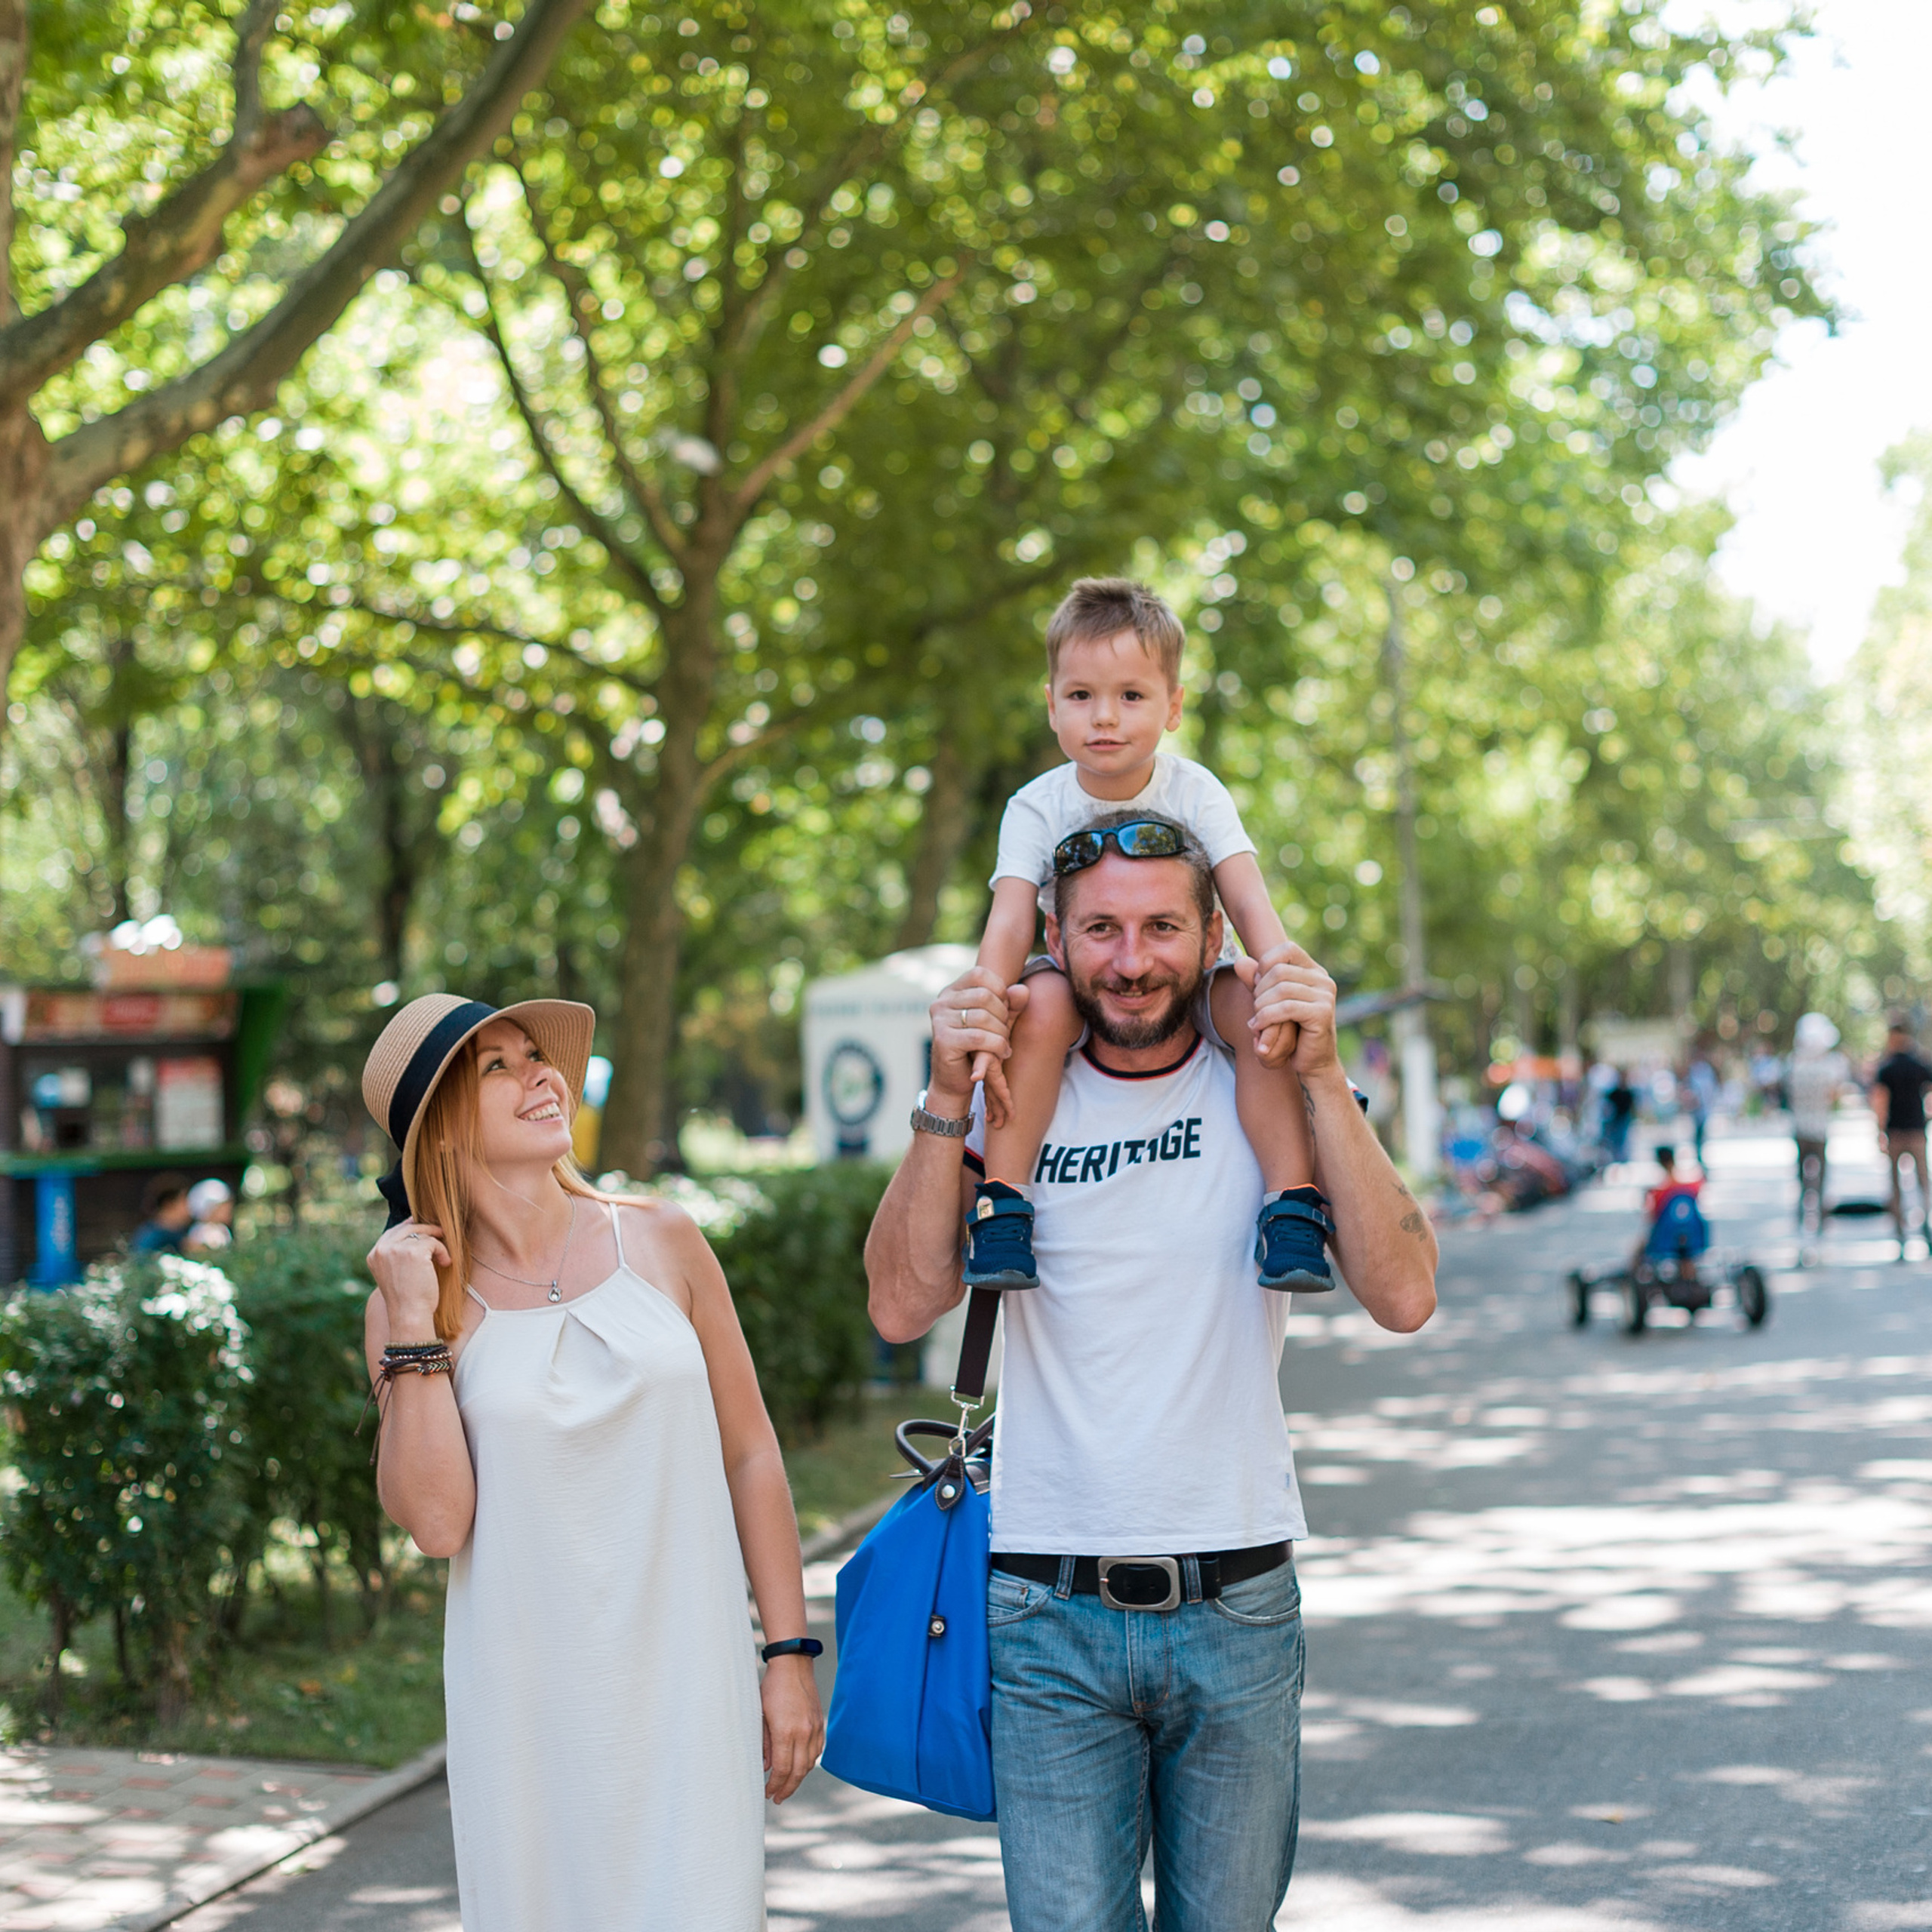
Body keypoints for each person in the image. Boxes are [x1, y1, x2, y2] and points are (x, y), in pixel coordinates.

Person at [865, 811, 1437, 1932]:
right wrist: (943, 1095)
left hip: (1238, 1606)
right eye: (1102, 931)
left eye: (1162, 926)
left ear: (1214, 931)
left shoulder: (1265, 1088)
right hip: (1042, 1612)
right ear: (1057, 943)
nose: (1132, 961)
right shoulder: (1012, 1102)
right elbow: (898, 1301)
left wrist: (1320, 1069)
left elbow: (1406, 1295)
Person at [360, 993, 821, 1932]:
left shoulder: (661, 1237)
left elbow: (749, 1451)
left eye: (537, 1054)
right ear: (439, 1129)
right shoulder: (418, 1305)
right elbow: (438, 1522)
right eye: (498, 1066)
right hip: (526, 1709)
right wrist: (412, 1322)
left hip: (689, 1681)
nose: (542, 1074)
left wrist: (788, 1653)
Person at [964, 577, 1331, 1297]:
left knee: (1254, 1009)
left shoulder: (1195, 792)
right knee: (1035, 1006)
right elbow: (1010, 920)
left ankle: (1292, 1202)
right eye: (1081, 697)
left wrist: (1283, 984)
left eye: (1131, 696)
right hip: (1081, 973)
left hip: (1195, 966)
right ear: (1051, 705)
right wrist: (983, 1012)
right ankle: (1003, 1203)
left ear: (1173, 707)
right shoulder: (1036, 807)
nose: (1105, 718)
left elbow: (1249, 902)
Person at [1872, 1015, 1932, 1260]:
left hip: (1898, 1132)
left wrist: (1879, 1131)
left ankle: (1902, 1235)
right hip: (1915, 1131)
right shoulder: (1920, 1064)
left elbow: (1880, 1102)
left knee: (1898, 1186)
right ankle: (1922, 1229)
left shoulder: (1887, 1068)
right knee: (1921, 1183)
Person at [1787, 1012, 1847, 1234]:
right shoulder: (1830, 1067)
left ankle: (1802, 1219)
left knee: (1802, 1178)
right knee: (1820, 1178)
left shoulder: (1794, 1064)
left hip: (1800, 1128)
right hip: (1820, 1129)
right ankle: (1819, 1220)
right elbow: (1835, 1096)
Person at [1631, 1144, 1706, 1272]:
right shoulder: (1691, 1186)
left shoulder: (1658, 1192)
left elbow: (1651, 1217)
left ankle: (1632, 1283)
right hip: (1692, 1234)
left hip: (1665, 1237)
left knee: (1638, 1249)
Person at [129, 1172, 192, 1254]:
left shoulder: (183, 1233)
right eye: (185, 1201)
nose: (191, 1207)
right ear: (169, 1204)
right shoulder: (150, 1238)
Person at [183, 1177, 235, 1253]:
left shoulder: (222, 1230)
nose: (229, 1210)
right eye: (223, 1206)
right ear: (211, 1209)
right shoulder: (200, 1234)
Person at [1601, 1068, 1637, 1164]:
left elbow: (1632, 1106)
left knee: (1623, 1140)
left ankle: (1622, 1159)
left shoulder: (1629, 1091)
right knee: (1615, 1140)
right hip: (1615, 1119)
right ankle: (1615, 1159)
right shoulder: (1614, 1092)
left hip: (1624, 1118)